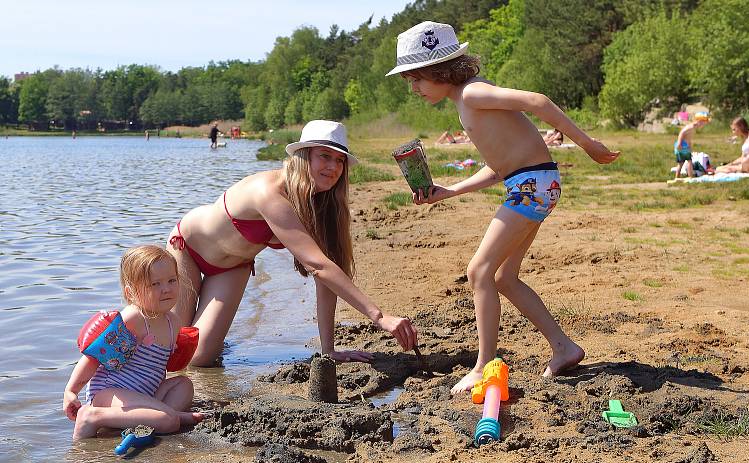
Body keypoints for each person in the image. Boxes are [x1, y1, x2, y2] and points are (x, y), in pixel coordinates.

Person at [386, 21, 619, 392]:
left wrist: (586, 143)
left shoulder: (473, 93)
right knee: (501, 277)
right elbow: (498, 168)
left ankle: (482, 365)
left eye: (416, 79)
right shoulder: (466, 102)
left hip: (532, 185)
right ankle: (563, 347)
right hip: (532, 183)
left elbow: (537, 101)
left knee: (478, 270)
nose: (413, 88)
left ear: (439, 70)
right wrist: (448, 192)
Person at [167, 120, 418, 366]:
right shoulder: (269, 193)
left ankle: (212, 336)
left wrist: (328, 350)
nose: (333, 167)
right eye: (324, 156)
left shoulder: (321, 203)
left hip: (233, 266)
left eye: (339, 160)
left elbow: (326, 272)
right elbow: (316, 265)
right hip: (187, 249)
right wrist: (380, 317)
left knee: (198, 358)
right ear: (303, 155)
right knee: (170, 350)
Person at [63, 245, 204, 440]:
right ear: (131, 293)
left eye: (172, 280)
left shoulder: (173, 322)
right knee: (169, 422)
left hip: (145, 393)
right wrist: (71, 391)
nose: (166, 289)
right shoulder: (135, 318)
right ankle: (92, 416)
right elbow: (94, 357)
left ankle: (150, 416)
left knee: (184, 384)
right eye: (155, 284)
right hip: (110, 392)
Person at [673, 112, 709, 178]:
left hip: (685, 146)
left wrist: (689, 146)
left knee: (683, 162)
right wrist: (679, 143)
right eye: (703, 123)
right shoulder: (690, 127)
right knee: (686, 162)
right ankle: (688, 177)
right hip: (682, 146)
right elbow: (682, 133)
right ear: (699, 121)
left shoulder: (693, 128)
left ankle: (680, 177)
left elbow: (688, 138)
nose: (703, 125)